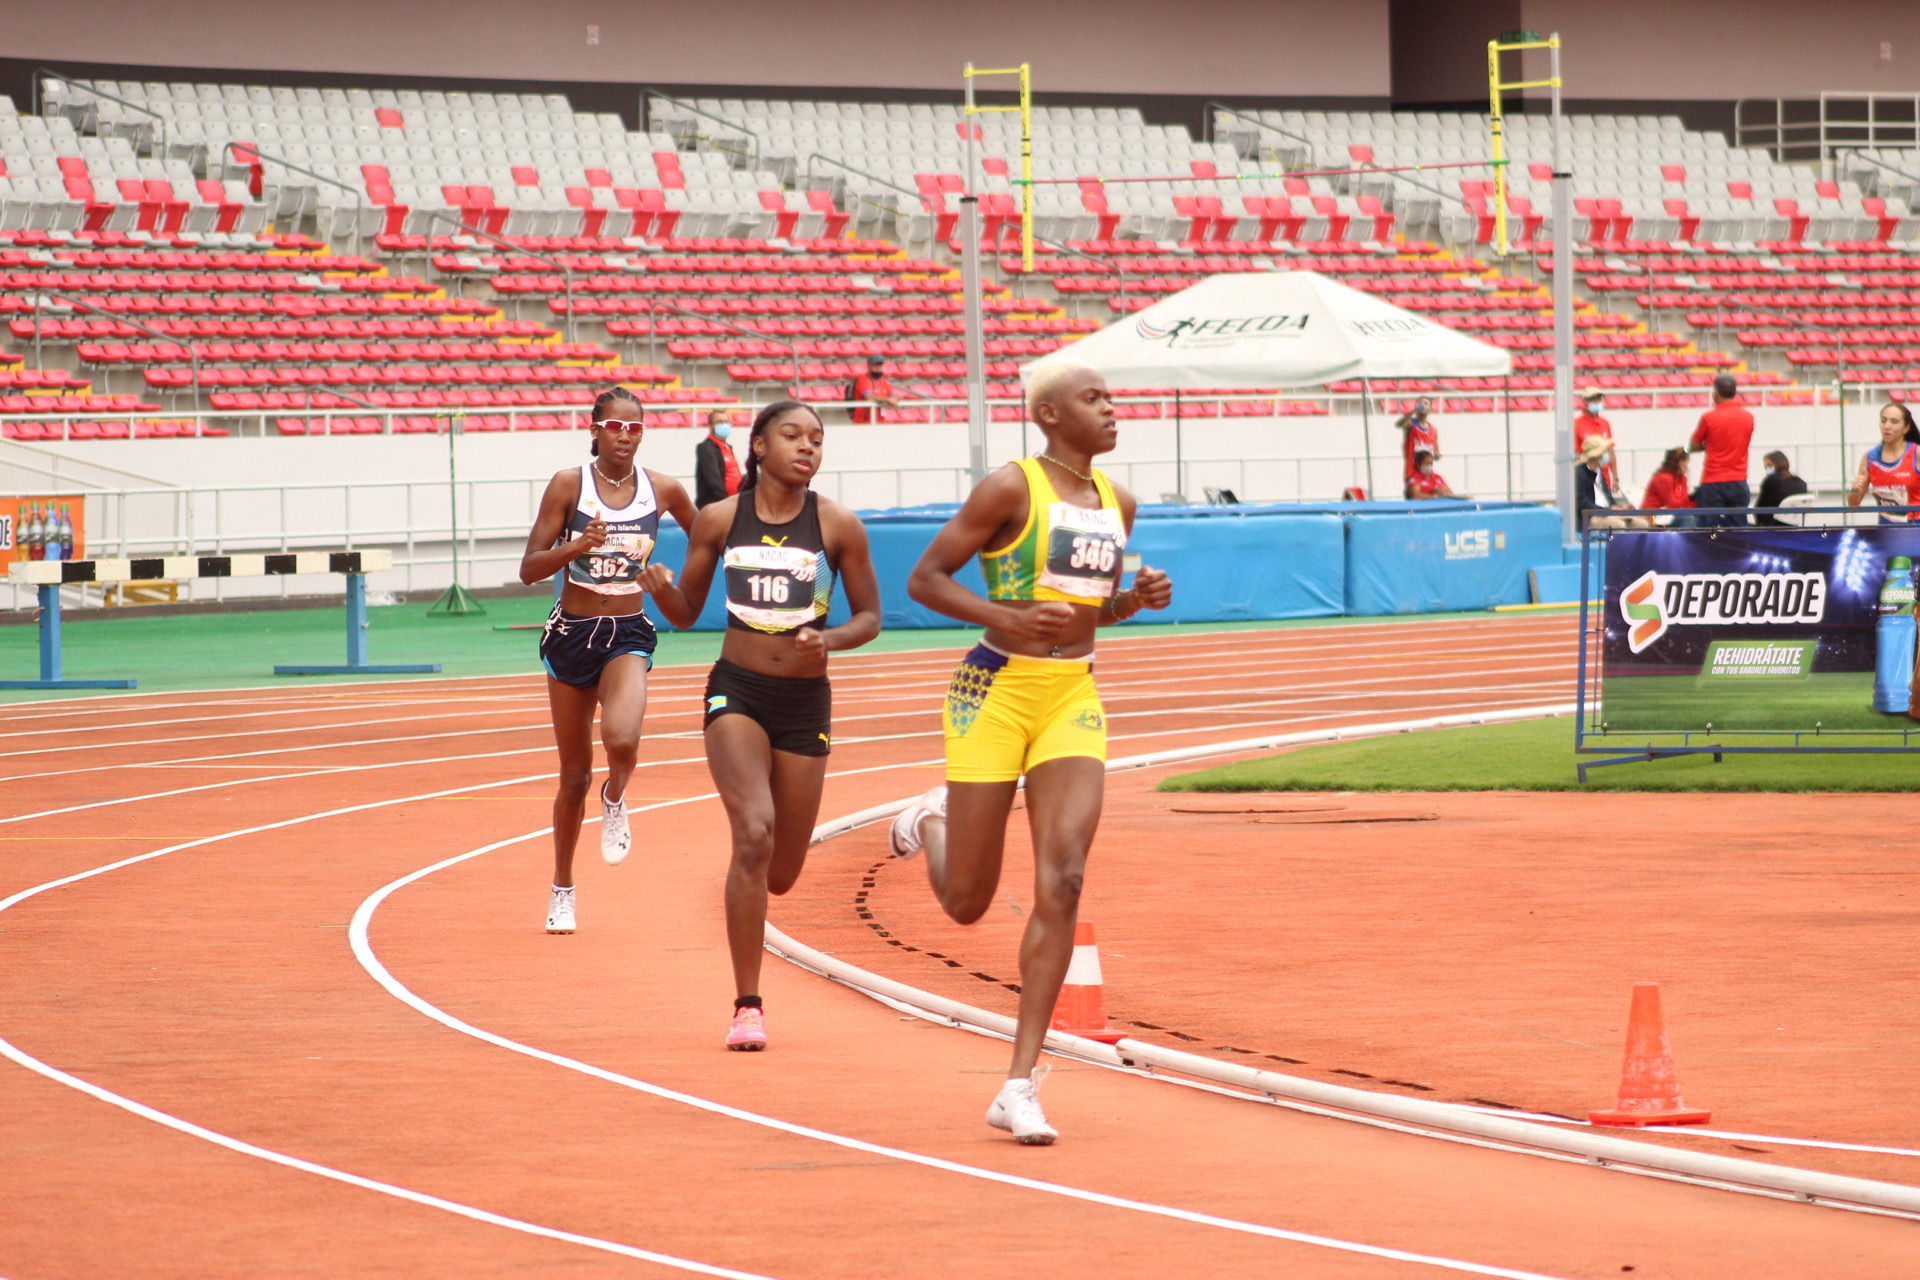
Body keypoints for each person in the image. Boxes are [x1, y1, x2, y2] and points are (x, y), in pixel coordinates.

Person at [889, 361, 1173, 1145]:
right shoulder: (1009, 488)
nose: (1112, 409)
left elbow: (1091, 613)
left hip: (1071, 696)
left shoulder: (1121, 501)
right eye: (1094, 399)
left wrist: (1130, 603)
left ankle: (1019, 1082)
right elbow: (925, 579)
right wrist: (1003, 619)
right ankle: (931, 825)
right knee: (968, 902)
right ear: (1049, 415)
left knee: (1066, 876)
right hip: (994, 689)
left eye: (1113, 397)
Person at [643, 400, 882, 1050]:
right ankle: (747, 1004)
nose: (807, 447)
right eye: (792, 435)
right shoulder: (721, 520)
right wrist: (660, 588)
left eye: (817, 439)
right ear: (757, 445)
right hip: (737, 690)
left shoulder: (838, 525)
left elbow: (869, 618)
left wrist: (829, 640)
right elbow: (688, 611)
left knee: (782, 871)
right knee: (753, 835)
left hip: (805, 704)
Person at [518, 387, 697, 935]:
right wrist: (574, 548)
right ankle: (563, 889)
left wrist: (677, 582)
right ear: (594, 429)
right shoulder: (568, 484)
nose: (625, 436)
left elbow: (709, 536)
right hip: (571, 632)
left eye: (635, 428)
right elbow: (529, 568)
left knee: (622, 740)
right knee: (573, 775)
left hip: (627, 630)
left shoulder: (663, 488)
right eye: (615, 427)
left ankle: (616, 795)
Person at [1687, 373, 1755, 527]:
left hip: (1713, 480)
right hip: (1739, 480)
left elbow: (1693, 445)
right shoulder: (1748, 417)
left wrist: (1709, 445)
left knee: (1708, 529)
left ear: (1716, 393)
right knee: (1739, 528)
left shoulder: (1709, 417)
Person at [1846, 402, 1920, 524]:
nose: (1887, 426)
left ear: (1906, 428)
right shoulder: (1869, 458)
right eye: (1883, 420)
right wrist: (1854, 490)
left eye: (1894, 422)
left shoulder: (1916, 454)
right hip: (1886, 532)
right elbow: (1853, 505)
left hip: (1916, 530)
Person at [1575, 434, 1649, 529]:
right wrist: (1608, 510)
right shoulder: (1578, 473)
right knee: (1618, 525)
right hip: (1592, 516)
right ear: (1597, 455)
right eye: (1605, 451)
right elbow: (1582, 503)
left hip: (1607, 513)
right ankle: (1618, 544)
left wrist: (1619, 508)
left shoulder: (1599, 472)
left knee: (1642, 524)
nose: (1608, 454)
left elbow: (1608, 498)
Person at [694, 408, 742, 508]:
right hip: (717, 506)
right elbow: (714, 481)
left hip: (733, 503)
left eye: (726, 421)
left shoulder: (728, 447)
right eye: (720, 422)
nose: (724, 425)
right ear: (711, 426)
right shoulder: (706, 448)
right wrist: (727, 503)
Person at [1573, 387, 1617, 492]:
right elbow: (1574, 454)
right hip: (1587, 478)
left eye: (1599, 399)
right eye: (1593, 399)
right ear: (1585, 401)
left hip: (1604, 478)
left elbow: (1611, 451)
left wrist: (1615, 478)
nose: (1597, 402)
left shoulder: (1605, 423)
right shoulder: (1576, 424)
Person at [1641, 447, 1698, 527]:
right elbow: (1671, 505)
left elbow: (1684, 504)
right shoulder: (1663, 478)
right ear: (1680, 462)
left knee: (1697, 518)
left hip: (1670, 516)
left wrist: (1696, 499)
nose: (1687, 466)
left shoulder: (1682, 479)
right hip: (1655, 517)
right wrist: (1691, 498)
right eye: (1686, 462)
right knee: (1688, 519)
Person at [1755, 450, 1810, 526]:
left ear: (1778, 464)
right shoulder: (1801, 483)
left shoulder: (1771, 480)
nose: (1767, 469)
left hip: (1772, 525)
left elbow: (1759, 507)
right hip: (1793, 525)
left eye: (1769, 466)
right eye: (1766, 467)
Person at [1395, 396, 1439, 481]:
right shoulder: (1411, 424)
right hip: (1412, 472)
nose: (1423, 405)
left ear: (1430, 409)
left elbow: (1436, 451)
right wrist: (1414, 411)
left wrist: (1437, 454)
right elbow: (1398, 424)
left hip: (1427, 474)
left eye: (1426, 404)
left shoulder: (1433, 429)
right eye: (1421, 403)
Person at [849, 354, 899, 424]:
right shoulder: (863, 380)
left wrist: (895, 399)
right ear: (869, 366)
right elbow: (869, 397)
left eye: (880, 365)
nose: (878, 368)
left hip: (879, 420)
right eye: (875, 365)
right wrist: (887, 399)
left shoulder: (884, 381)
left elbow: (894, 395)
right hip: (863, 422)